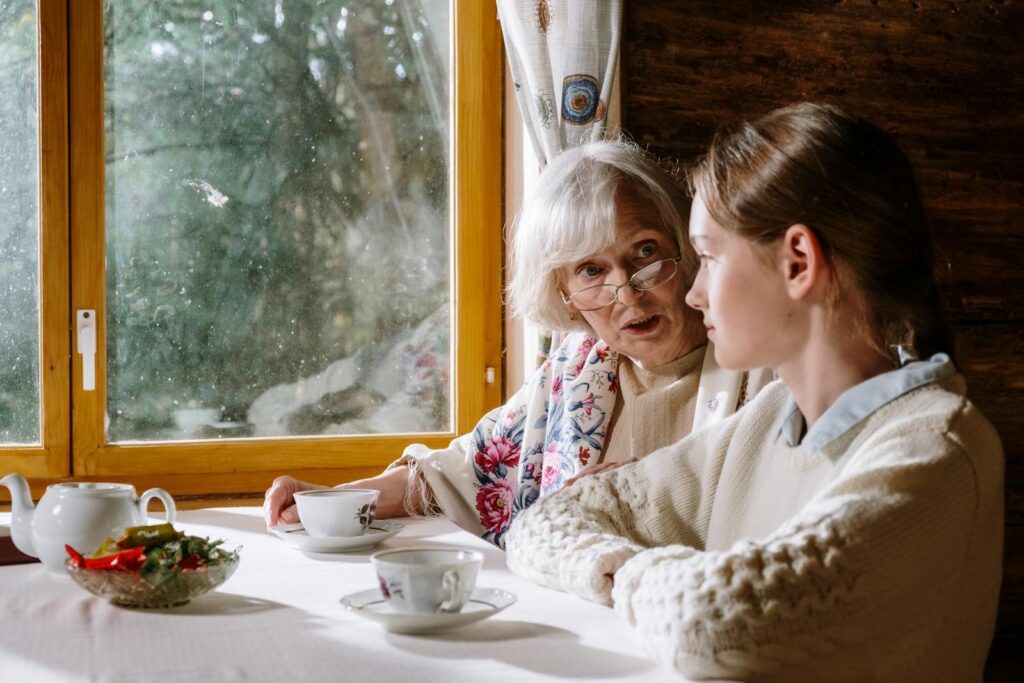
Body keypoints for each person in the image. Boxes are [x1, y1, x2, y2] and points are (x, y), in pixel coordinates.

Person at [504, 103, 1004, 679]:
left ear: (798, 262)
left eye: (710, 258)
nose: (694, 293)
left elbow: (716, 622)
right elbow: (544, 523)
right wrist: (645, 572)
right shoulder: (771, 420)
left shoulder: (936, 452)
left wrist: (622, 570)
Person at [264, 140, 772, 548]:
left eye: (645, 252)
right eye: (591, 270)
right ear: (565, 293)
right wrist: (328, 500)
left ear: (685, 248)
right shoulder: (579, 366)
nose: (626, 292)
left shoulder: (760, 365)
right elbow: (463, 474)